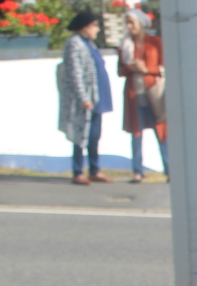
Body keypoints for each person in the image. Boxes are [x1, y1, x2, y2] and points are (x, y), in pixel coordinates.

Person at [58, 12, 114, 185]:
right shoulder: (74, 44)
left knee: (94, 135)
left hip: (97, 96)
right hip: (84, 100)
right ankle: (78, 171)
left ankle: (94, 169)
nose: (97, 30)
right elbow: (75, 73)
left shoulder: (90, 44)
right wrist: (83, 97)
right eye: (95, 26)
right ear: (85, 27)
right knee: (80, 135)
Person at [119, 9, 168, 183]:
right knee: (136, 133)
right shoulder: (125, 44)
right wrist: (131, 68)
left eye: (132, 22)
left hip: (153, 93)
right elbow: (120, 70)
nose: (130, 26)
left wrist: (146, 69)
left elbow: (163, 67)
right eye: (128, 23)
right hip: (134, 94)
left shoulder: (154, 42)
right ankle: (137, 171)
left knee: (161, 131)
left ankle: (169, 169)